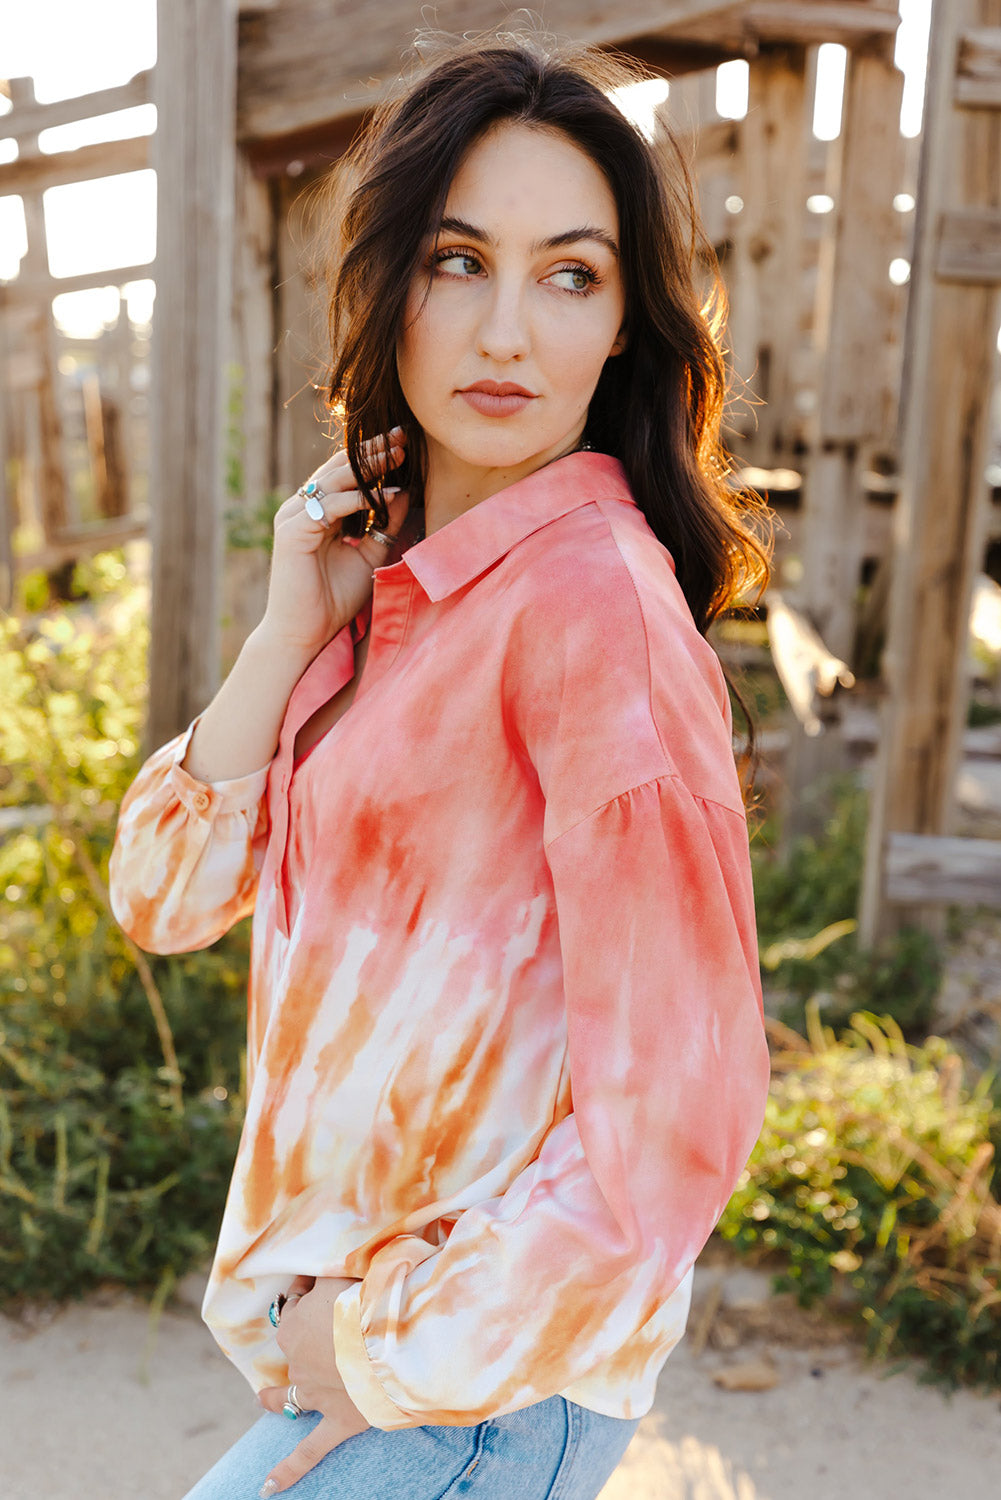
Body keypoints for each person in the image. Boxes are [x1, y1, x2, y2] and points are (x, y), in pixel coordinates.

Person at [109, 30, 772, 1500]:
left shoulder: (593, 611)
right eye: (459, 261)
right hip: (389, 1370)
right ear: (388, 282)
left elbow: (687, 1100)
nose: (503, 334)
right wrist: (291, 632)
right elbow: (162, 900)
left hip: (474, 1391)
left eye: (568, 275)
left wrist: (400, 1352)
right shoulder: (403, 592)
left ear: (622, 327)